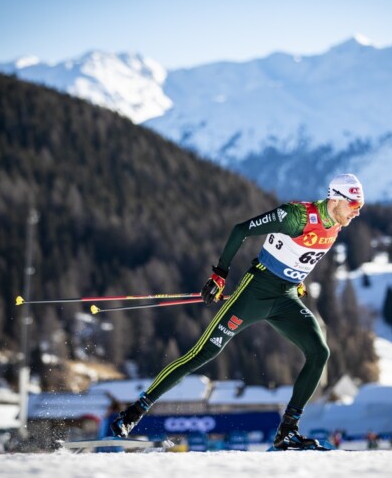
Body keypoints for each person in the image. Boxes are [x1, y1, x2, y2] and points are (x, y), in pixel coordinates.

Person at [111, 173, 364, 451]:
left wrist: (297, 279)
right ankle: (133, 413)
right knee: (203, 353)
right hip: (254, 292)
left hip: (286, 298)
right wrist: (219, 275)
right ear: (335, 199)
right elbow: (241, 229)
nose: (356, 213)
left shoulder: (336, 224)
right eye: (353, 206)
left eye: (360, 207)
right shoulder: (296, 216)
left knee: (319, 353)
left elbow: (299, 253)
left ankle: (287, 432)